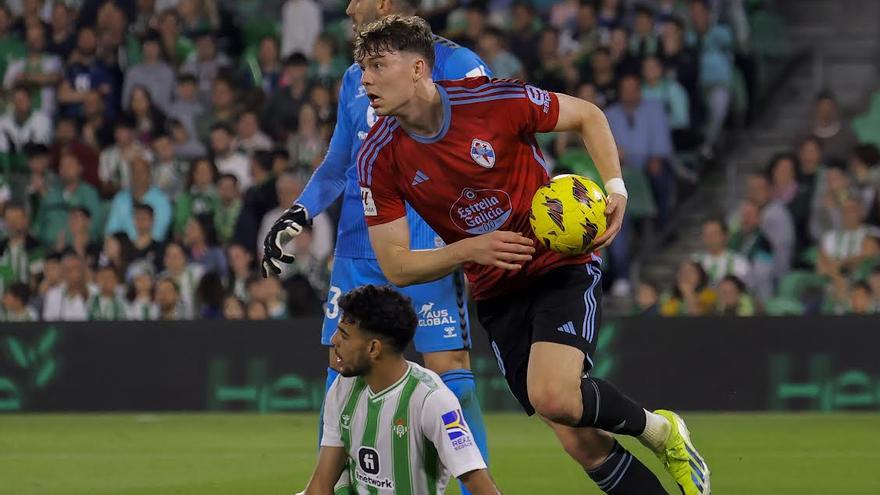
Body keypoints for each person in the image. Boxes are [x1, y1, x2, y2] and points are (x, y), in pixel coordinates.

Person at [332, 15, 709, 495]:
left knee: (553, 395)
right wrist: (470, 249)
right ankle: (661, 436)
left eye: (378, 65)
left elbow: (588, 114)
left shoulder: (494, 100)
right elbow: (396, 265)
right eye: (362, 68)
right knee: (579, 441)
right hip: (495, 292)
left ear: (419, 69)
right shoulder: (378, 158)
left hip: (557, 265)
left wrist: (615, 187)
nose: (365, 79)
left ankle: (661, 431)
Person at [260, 4, 494, 489]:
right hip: (356, 244)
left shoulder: (458, 66)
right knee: (342, 366)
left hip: (426, 237)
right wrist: (300, 212)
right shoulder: (353, 78)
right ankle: (336, 486)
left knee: (448, 369)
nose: (347, 7)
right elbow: (339, 162)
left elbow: (483, 149)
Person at [301, 284, 500, 495]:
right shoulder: (343, 387)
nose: (334, 341)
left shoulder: (432, 399)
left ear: (373, 348)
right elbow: (320, 485)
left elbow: (481, 486)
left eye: (344, 335)